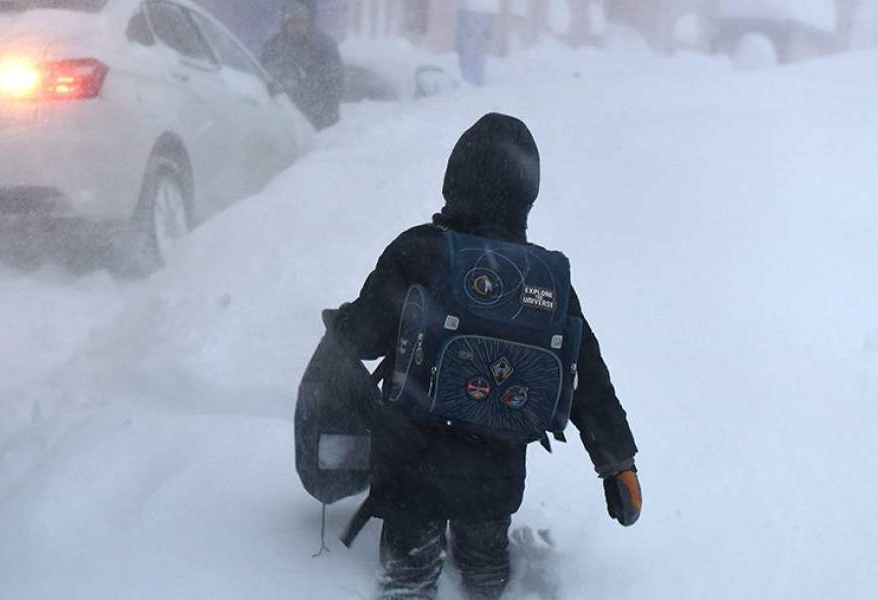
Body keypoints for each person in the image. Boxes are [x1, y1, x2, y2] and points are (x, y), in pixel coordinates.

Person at [323, 113, 641, 600]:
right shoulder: (543, 280)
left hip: (413, 469)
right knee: (485, 570)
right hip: (495, 478)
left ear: (455, 178)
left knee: (408, 579)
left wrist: (340, 323)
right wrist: (618, 463)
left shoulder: (420, 251)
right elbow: (589, 380)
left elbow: (364, 337)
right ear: (527, 194)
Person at [261, 0, 344, 130]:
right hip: (281, 120)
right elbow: (262, 78)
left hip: (317, 121)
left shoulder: (324, 48)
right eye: (292, 21)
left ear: (308, 22)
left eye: (300, 21)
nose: (296, 26)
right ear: (285, 22)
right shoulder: (273, 47)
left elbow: (334, 85)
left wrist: (326, 116)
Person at [457, 0, 499, 85]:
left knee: (469, 48)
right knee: (480, 48)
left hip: (471, 10)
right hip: (488, 10)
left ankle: (468, 80)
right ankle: (477, 80)